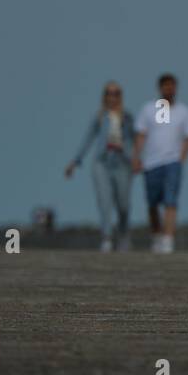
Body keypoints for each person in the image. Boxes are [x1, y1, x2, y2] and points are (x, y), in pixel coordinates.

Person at [65, 81, 136, 252]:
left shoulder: (127, 117)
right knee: (104, 201)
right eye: (108, 93)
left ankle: (124, 234)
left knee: (123, 204)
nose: (112, 97)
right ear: (104, 96)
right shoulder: (99, 117)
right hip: (102, 163)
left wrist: (138, 160)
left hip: (123, 163)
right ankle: (106, 237)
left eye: (116, 93)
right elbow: (87, 139)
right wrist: (75, 161)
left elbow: (137, 141)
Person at [133, 73, 188, 253]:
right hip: (151, 163)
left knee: (171, 201)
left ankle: (168, 239)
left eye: (172, 85)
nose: (169, 89)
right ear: (160, 87)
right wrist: (136, 157)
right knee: (153, 203)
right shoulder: (148, 109)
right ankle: (157, 236)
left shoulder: (184, 111)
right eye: (166, 85)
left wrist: (181, 159)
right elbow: (141, 135)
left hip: (172, 162)